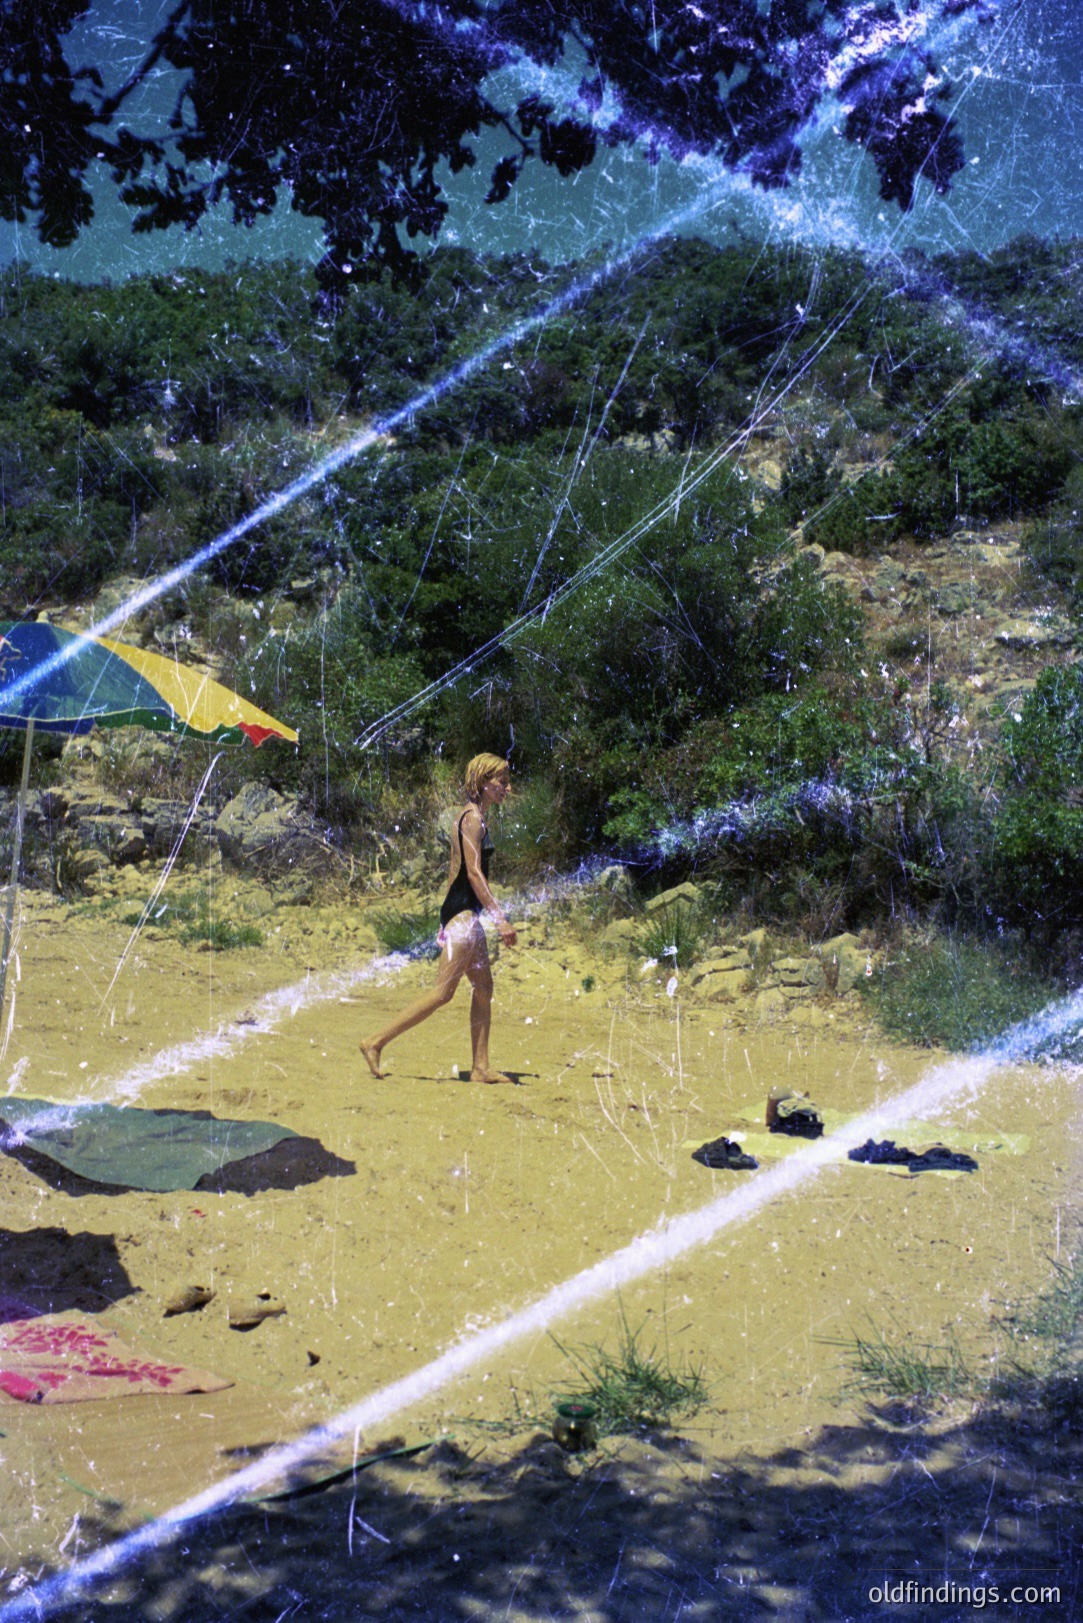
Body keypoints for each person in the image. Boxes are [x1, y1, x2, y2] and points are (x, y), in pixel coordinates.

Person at [360, 753, 518, 1083]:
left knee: (484, 987)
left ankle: (480, 1067)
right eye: (501, 782)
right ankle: (374, 1041)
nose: (507, 787)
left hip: (463, 913)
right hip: (462, 914)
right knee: (442, 993)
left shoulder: (475, 816)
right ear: (483, 782)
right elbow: (473, 873)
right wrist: (500, 919)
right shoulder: (472, 818)